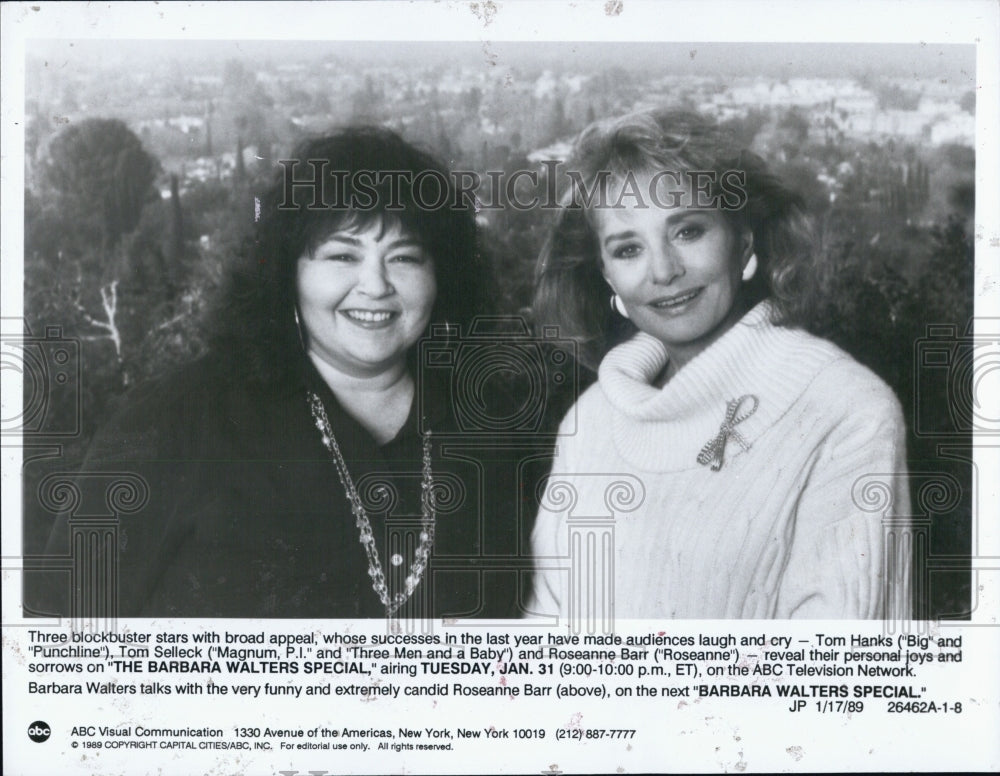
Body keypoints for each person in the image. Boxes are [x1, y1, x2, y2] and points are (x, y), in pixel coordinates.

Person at [28, 127, 523, 619]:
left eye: (405, 257)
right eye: (342, 255)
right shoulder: (177, 421)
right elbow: (58, 642)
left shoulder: (500, 428)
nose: (376, 285)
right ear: (286, 273)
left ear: (443, 277)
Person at [529, 109, 911, 621]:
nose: (663, 270)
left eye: (687, 231)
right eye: (628, 249)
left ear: (744, 241)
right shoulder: (590, 421)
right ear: (606, 276)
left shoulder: (847, 411)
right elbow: (543, 640)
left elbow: (841, 678)